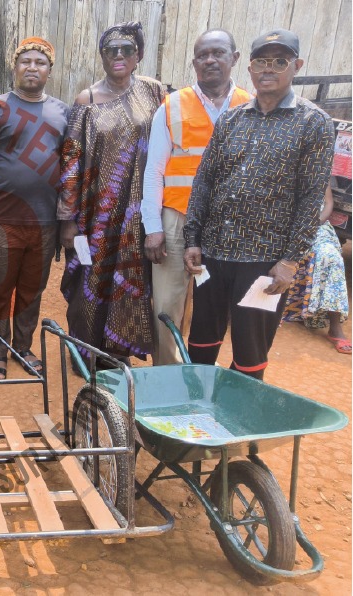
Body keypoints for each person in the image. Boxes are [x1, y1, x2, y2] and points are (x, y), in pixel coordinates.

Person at [183, 29, 335, 380]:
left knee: (250, 349)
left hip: (265, 263)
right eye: (261, 61)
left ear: (296, 66)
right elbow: (205, 180)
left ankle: (240, 426)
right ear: (249, 68)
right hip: (215, 255)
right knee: (202, 340)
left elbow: (312, 198)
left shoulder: (313, 123)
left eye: (279, 61)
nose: (269, 69)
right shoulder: (232, 119)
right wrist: (193, 238)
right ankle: (195, 417)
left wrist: (290, 261)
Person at [141, 29, 252, 364]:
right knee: (167, 302)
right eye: (202, 55)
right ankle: (167, 373)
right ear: (194, 63)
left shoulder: (250, 106)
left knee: (213, 301)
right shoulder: (172, 106)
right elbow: (153, 171)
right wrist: (152, 227)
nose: (210, 60)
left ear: (234, 59)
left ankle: (203, 370)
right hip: (176, 218)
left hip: (228, 226)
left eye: (218, 53)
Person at [58, 22, 166, 363]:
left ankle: (120, 349)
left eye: (127, 49)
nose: (119, 55)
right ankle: (90, 351)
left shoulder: (154, 92)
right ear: (102, 56)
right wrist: (67, 218)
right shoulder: (86, 100)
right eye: (110, 50)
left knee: (131, 283)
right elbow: (71, 162)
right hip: (96, 215)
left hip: (139, 213)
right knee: (92, 280)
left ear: (139, 56)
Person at [0, 37, 70, 380]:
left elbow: (69, 165)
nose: (32, 67)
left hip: (45, 222)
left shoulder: (61, 112)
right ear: (14, 68)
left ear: (49, 70)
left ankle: (22, 347)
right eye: (25, 61)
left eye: (40, 63)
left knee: (32, 288)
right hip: (2, 219)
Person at [283, 190, 350, 353]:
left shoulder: (319, 166)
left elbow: (328, 204)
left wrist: (313, 224)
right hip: (284, 225)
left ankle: (335, 328)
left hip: (316, 225)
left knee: (331, 257)